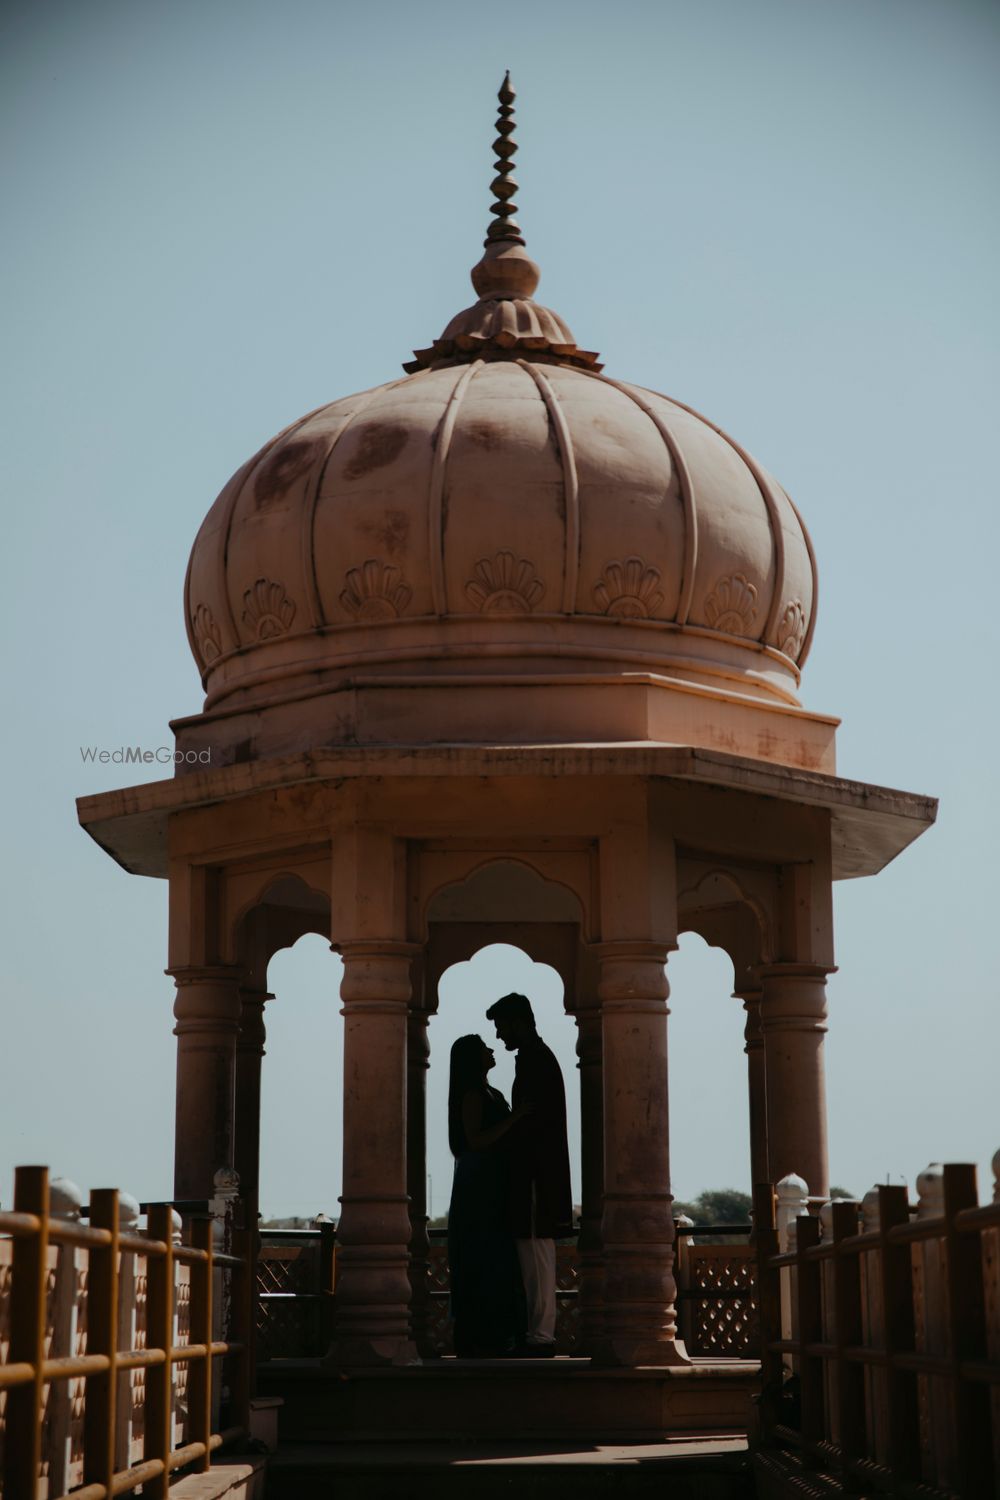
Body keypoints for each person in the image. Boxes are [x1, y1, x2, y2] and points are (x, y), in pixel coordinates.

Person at [485, 992, 572, 1357]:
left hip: (535, 1177)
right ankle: (537, 1335)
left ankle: (540, 1337)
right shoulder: (536, 1059)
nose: (500, 1036)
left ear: (520, 1023)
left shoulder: (536, 1061)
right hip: (534, 1176)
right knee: (533, 1257)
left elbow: (536, 1127)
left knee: (536, 1257)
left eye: (503, 1027)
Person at [446, 1033, 528, 1358]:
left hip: (491, 1182)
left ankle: (496, 1334)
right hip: (478, 1186)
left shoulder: (488, 1091)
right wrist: (515, 1118)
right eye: (484, 1048)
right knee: (483, 1257)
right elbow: (476, 1140)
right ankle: (482, 1337)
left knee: (495, 1258)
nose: (491, 1050)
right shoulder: (473, 1095)